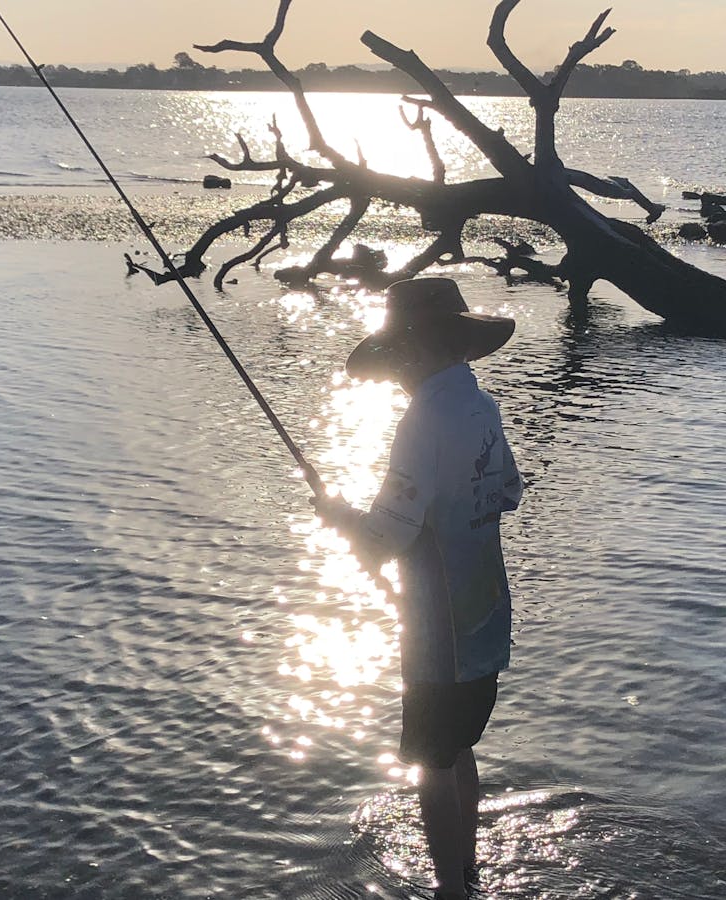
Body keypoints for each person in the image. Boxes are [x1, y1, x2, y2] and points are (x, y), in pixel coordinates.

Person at [313, 277, 523, 900]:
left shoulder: (422, 419)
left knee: (431, 761)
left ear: (411, 351)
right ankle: (468, 866)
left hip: (439, 629)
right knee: (459, 748)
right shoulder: (481, 407)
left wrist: (340, 516)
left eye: (398, 357)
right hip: (487, 614)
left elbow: (387, 536)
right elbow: (509, 491)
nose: (396, 372)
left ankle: (450, 891)